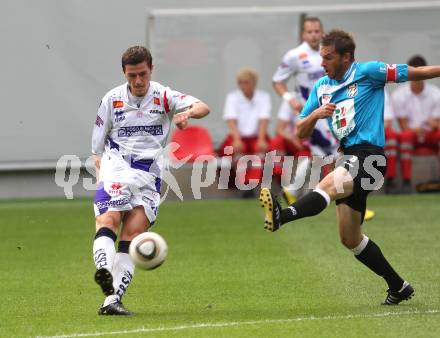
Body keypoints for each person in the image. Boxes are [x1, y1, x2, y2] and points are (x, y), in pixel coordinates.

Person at [260, 29, 440, 305]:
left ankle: (282, 216)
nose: (322, 64)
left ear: (346, 58)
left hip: (370, 157)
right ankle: (398, 286)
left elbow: (417, 72)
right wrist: (316, 114)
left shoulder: (369, 72)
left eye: (328, 58)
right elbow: (300, 130)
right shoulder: (321, 88)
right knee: (350, 238)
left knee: (327, 185)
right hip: (348, 158)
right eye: (321, 57)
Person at [91, 46, 210, 315]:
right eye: (132, 75)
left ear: (151, 70)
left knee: (134, 235)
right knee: (109, 219)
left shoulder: (164, 96)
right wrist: (102, 177)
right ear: (124, 73)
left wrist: (187, 113)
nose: (138, 81)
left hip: (149, 176)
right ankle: (103, 270)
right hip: (117, 167)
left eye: (142, 74)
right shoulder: (111, 100)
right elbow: (96, 148)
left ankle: (111, 300)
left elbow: (203, 107)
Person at [271, 17, 374, 220]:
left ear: (322, 32)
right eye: (309, 32)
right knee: (336, 154)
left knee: (323, 157)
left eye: (317, 31)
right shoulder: (295, 56)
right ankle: (353, 203)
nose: (313, 35)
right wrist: (289, 99)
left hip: (334, 109)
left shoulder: (329, 52)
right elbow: (277, 80)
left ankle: (293, 191)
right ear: (303, 34)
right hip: (314, 113)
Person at [390, 55, 440, 193]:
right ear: (408, 73)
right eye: (413, 72)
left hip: (430, 133)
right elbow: (403, 125)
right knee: (405, 136)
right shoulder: (399, 95)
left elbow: (436, 124)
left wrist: (432, 125)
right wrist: (417, 129)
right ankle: (406, 181)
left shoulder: (436, 93)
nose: (417, 76)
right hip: (411, 133)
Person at [219, 68, 271, 198]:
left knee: (262, 151)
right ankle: (241, 184)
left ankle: (252, 183)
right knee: (232, 151)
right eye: (240, 83)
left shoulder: (263, 97)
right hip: (237, 136)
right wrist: (236, 139)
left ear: (254, 83)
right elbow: (231, 120)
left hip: (256, 136)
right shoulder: (232, 97)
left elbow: (263, 119)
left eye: (246, 82)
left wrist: (261, 139)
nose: (243, 86)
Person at [383, 90, 401, 193]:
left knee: (392, 138)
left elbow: (387, 121)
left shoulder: (382, 90)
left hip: (377, 130)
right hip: (356, 131)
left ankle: (391, 179)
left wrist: (373, 131)